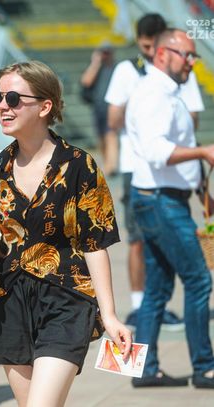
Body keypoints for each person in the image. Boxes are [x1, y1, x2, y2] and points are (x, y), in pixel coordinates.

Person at [0, 60, 132, 406]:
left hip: (66, 298)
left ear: (45, 106)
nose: (2, 106)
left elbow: (94, 244)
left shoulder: (79, 165)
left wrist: (109, 315)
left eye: (12, 98)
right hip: (8, 302)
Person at [104, 13, 204, 331]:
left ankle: (146, 355)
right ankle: (138, 309)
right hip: (147, 182)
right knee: (195, 277)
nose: (147, 53)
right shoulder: (138, 79)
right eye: (145, 47)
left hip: (168, 184)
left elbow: (188, 129)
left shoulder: (178, 80)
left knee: (159, 281)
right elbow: (119, 125)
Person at [126, 29, 214, 389]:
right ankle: (205, 367)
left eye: (194, 55)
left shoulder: (166, 92)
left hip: (159, 198)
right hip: (160, 200)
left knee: (156, 290)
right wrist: (203, 151)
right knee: (199, 280)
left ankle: (142, 370)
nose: (191, 62)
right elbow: (156, 151)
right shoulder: (154, 94)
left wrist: (202, 192)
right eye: (186, 55)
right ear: (162, 54)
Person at [79, 42, 116, 176]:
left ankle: (111, 166)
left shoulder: (117, 68)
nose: (105, 55)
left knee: (110, 135)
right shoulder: (95, 68)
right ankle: (106, 162)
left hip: (111, 107)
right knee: (101, 138)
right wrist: (95, 63)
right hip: (98, 107)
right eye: (103, 52)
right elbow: (86, 81)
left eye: (107, 52)